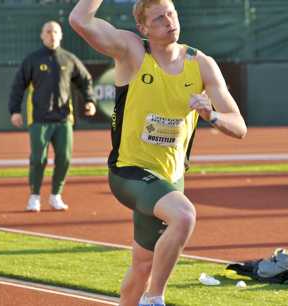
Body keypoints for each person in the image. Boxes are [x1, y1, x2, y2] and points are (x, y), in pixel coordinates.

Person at [69, 1, 247, 305]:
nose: (169, 21)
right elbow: (79, 20)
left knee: (142, 266)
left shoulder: (201, 63)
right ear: (144, 28)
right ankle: (154, 300)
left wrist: (212, 116)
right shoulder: (131, 50)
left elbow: (239, 125)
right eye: (159, 17)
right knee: (185, 215)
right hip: (129, 172)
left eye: (172, 13)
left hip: (170, 179)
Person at [8, 20, 96, 212]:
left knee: (64, 158)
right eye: (48, 32)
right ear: (42, 35)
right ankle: (34, 197)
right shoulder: (33, 59)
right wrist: (14, 111)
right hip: (39, 119)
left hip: (64, 119)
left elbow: (85, 80)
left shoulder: (69, 59)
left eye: (55, 31)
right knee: (38, 159)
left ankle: (56, 195)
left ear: (61, 35)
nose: (52, 35)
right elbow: (18, 86)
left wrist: (90, 100)